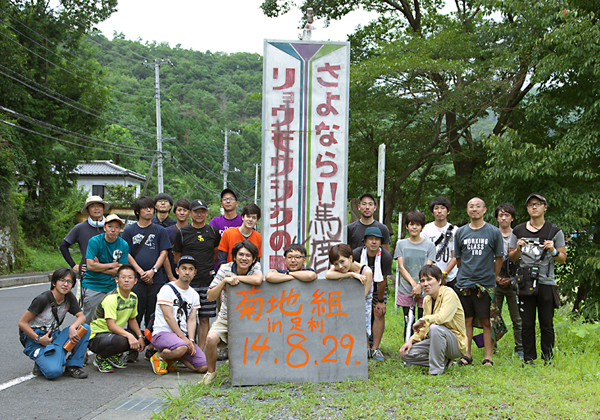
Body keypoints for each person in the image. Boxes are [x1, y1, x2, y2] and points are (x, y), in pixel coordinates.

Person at [509, 193, 566, 365]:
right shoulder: (518, 230)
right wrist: (518, 248)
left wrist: (553, 250)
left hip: (546, 282)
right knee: (526, 323)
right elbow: (511, 257)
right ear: (527, 208)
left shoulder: (554, 231)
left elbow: (562, 258)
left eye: (538, 204)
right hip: (525, 282)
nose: (534, 207)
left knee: (546, 322)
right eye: (531, 204)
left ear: (545, 207)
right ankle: (529, 359)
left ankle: (547, 358)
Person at [201, 241, 263, 385]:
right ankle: (211, 373)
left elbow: (258, 279)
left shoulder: (255, 267)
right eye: (240, 254)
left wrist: (236, 279)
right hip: (226, 316)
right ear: (234, 257)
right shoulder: (225, 268)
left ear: (254, 259)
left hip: (250, 317)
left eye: (248, 255)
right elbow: (210, 296)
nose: (244, 258)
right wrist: (224, 282)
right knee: (210, 339)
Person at [454, 197, 504, 367]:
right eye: (471, 207)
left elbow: (499, 258)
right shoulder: (460, 232)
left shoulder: (493, 232)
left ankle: (488, 357)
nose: (474, 209)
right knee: (466, 319)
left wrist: (491, 276)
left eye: (478, 206)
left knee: (486, 320)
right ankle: (466, 355)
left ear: (484, 210)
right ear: (467, 210)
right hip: (464, 283)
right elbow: (459, 259)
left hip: (485, 284)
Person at [122, 195, 172, 362]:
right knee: (134, 315)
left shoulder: (160, 230)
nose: (150, 210)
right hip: (135, 280)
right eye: (146, 208)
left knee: (153, 315)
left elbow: (164, 252)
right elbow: (126, 253)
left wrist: (152, 271)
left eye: (151, 207)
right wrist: (140, 271)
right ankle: (133, 348)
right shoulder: (129, 231)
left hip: (156, 280)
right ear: (138, 211)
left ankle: (151, 347)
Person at [18, 267, 90, 379]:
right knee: (54, 372)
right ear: (54, 283)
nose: (65, 284)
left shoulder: (69, 297)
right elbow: (22, 323)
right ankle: (42, 363)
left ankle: (72, 366)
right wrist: (39, 339)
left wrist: (73, 327)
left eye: (69, 282)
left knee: (84, 329)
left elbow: (81, 316)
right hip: (36, 340)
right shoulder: (42, 299)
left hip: (54, 336)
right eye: (62, 280)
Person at [399, 264, 467, 375]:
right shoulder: (427, 300)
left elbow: (442, 318)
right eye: (422, 281)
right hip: (435, 340)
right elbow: (425, 328)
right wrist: (411, 340)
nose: (425, 284)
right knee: (406, 354)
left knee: (435, 328)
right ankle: (444, 362)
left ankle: (436, 371)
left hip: (455, 343)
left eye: (429, 279)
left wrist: (423, 319)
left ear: (439, 280)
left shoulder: (449, 293)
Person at [173, 199, 221, 351]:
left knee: (205, 318)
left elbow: (215, 253)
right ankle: (186, 348)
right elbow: (177, 257)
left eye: (202, 211)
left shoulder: (213, 231)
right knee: (185, 317)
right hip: (188, 283)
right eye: (196, 211)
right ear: (190, 213)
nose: (199, 214)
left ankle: (200, 351)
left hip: (207, 281)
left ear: (207, 213)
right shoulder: (181, 232)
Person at [150, 255, 208, 375]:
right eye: (184, 268)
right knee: (182, 347)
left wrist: (191, 340)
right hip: (163, 333)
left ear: (195, 273)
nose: (187, 272)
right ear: (177, 271)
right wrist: (184, 338)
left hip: (181, 338)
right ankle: (158, 356)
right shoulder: (166, 289)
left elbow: (192, 320)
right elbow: (168, 317)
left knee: (203, 366)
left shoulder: (194, 295)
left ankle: (173, 357)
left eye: (191, 269)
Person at [88, 264, 146, 373]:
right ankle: (101, 358)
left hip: (113, 334)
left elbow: (132, 319)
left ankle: (111, 355)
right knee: (122, 341)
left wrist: (140, 336)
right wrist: (129, 336)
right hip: (98, 336)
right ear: (117, 280)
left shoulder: (133, 297)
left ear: (135, 281)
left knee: (146, 337)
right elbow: (111, 325)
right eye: (123, 277)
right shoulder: (111, 298)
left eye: (130, 277)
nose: (126, 280)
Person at [394, 211, 436, 341]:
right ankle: (407, 347)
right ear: (406, 226)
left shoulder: (429, 245)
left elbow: (427, 268)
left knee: (422, 321)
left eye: (417, 224)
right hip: (407, 289)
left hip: (425, 289)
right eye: (411, 224)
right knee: (408, 320)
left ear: (422, 227)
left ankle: (420, 347)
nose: (414, 227)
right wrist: (414, 284)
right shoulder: (401, 244)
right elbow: (401, 267)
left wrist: (420, 285)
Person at [352, 227, 393, 362]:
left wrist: (380, 300)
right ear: (365, 241)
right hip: (359, 287)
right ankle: (365, 346)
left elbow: (383, 281)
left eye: (377, 239)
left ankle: (375, 348)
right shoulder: (356, 254)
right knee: (359, 314)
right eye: (371, 239)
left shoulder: (385, 256)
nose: (374, 242)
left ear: (381, 242)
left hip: (378, 288)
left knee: (378, 313)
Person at [80, 214, 129, 324]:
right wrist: (111, 265)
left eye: (117, 227)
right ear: (104, 228)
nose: (113, 230)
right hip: (93, 285)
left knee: (108, 320)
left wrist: (99, 266)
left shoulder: (123, 244)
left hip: (111, 287)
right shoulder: (95, 241)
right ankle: (85, 341)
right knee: (89, 320)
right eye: (110, 226)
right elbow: (90, 266)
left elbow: (121, 271)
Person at [326, 244, 373, 356]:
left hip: (362, 304)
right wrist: (350, 274)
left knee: (361, 330)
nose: (340, 266)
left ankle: (363, 353)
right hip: (344, 302)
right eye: (336, 264)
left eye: (342, 261)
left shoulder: (366, 271)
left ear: (351, 258)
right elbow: (328, 275)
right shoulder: (343, 270)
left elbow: (363, 295)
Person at [494, 202, 523, 358]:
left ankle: (520, 348)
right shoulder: (492, 233)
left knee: (517, 318)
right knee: (492, 317)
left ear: (512, 218)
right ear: (497, 218)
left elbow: (523, 260)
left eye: (507, 215)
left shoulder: (518, 235)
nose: (503, 218)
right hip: (494, 280)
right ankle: (491, 347)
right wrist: (495, 277)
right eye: (501, 215)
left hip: (514, 281)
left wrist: (512, 278)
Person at [60, 195, 109, 279]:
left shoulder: (111, 227)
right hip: (87, 275)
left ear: (103, 208)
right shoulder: (80, 228)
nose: (97, 208)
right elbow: (63, 246)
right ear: (87, 210)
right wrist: (74, 265)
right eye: (92, 206)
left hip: (109, 275)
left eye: (99, 206)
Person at [421, 196, 459, 288]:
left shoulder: (455, 230)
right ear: (432, 212)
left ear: (448, 211)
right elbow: (423, 254)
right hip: (430, 277)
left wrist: (444, 273)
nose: (439, 211)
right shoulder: (426, 229)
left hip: (450, 277)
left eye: (442, 208)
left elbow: (455, 256)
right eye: (436, 208)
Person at [165, 198, 191, 281]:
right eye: (179, 210)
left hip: (191, 275)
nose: (182, 213)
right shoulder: (167, 232)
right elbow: (164, 255)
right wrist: (170, 277)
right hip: (170, 276)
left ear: (189, 212)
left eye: (185, 210)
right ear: (175, 212)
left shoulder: (193, 231)